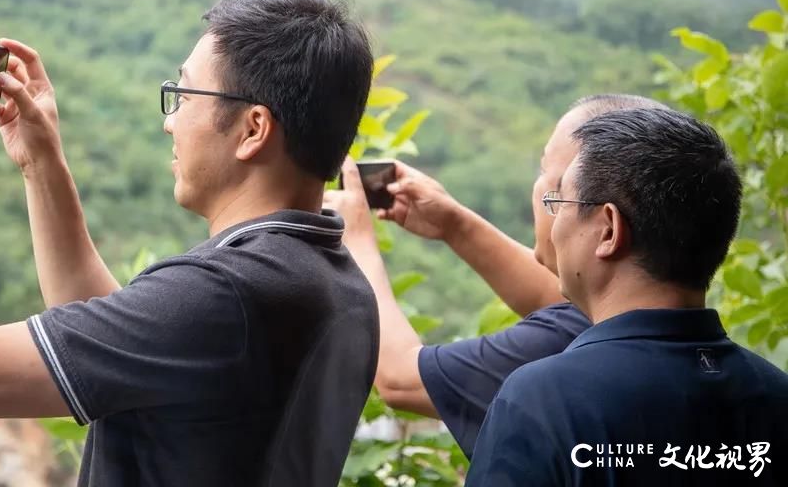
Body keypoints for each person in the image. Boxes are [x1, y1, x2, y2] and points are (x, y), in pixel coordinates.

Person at [0, 0, 380, 486]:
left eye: (182, 94)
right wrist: (40, 160)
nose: (169, 123)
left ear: (253, 129)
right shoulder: (341, 287)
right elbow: (135, 341)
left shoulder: (223, 294)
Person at [324, 94, 667, 458]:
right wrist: (455, 225)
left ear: (607, 227)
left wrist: (357, 239)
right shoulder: (668, 334)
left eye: (553, 182)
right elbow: (557, 299)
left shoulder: (557, 360)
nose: (539, 192)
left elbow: (400, 379)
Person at [466, 107, 788, 486]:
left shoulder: (542, 400)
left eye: (560, 204)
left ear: (608, 230)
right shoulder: (776, 395)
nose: (553, 230)